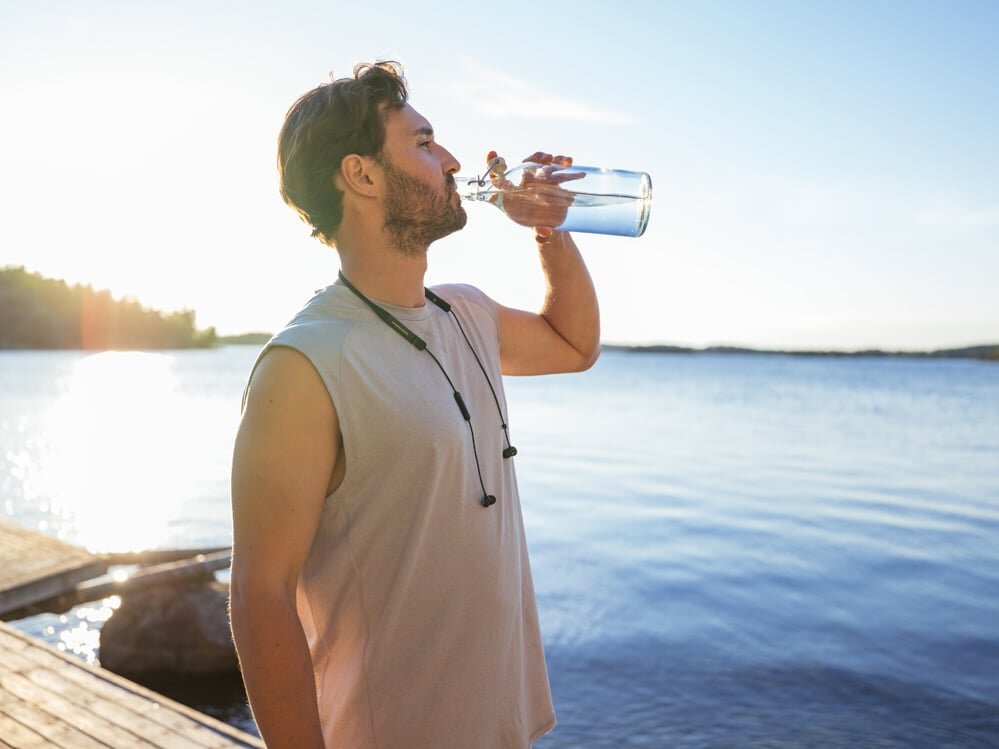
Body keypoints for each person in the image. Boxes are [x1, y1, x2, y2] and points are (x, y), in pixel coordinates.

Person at [229, 61, 600, 749]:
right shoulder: (305, 363)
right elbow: (260, 595)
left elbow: (573, 345)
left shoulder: (466, 312)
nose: (455, 160)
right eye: (425, 143)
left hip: (502, 728)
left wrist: (550, 231)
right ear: (362, 175)